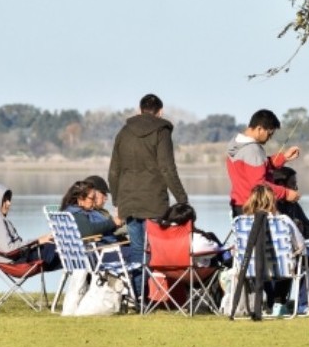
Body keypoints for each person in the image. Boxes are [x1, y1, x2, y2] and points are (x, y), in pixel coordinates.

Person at [108, 93, 188, 301]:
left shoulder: (124, 132)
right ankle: (154, 297)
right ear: (160, 111)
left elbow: (114, 170)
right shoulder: (161, 132)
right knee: (155, 248)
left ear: (139, 109)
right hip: (154, 201)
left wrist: (116, 200)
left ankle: (138, 296)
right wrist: (182, 199)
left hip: (129, 202)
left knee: (136, 249)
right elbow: (167, 168)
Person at [242, 184, 306, 316]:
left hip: (251, 268)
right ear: (272, 201)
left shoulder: (241, 223)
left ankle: (272, 301)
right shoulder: (283, 220)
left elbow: (237, 250)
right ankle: (286, 303)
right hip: (281, 267)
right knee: (302, 262)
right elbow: (301, 247)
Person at [226, 109, 301, 218]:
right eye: (269, 134)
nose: (269, 138)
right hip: (253, 209)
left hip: (238, 205)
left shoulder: (235, 144)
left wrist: (283, 157)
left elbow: (254, 169)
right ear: (259, 129)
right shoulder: (253, 149)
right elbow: (260, 186)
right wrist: (286, 194)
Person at [272, 166, 309, 313]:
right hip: (276, 254)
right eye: (293, 184)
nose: (296, 188)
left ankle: (281, 303)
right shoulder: (269, 206)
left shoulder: (293, 205)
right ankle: (304, 305)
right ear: (281, 186)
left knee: (308, 260)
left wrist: (301, 229)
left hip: (290, 254)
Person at [0, 182, 61, 270]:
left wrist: (37, 242)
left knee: (61, 249)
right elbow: (9, 249)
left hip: (16, 258)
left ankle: (76, 273)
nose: (9, 203)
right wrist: (37, 241)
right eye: (4, 200)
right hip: (16, 261)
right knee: (63, 249)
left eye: (9, 199)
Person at [157, 202, 228, 268]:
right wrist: (224, 248)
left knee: (210, 236)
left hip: (169, 273)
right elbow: (214, 251)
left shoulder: (160, 236)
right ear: (191, 221)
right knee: (212, 241)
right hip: (194, 276)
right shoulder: (195, 238)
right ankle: (230, 264)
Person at [60, 180, 124, 242]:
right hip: (101, 249)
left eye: (95, 198)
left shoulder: (69, 211)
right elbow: (88, 230)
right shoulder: (76, 213)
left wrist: (114, 224)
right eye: (92, 198)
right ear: (81, 198)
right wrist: (112, 223)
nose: (94, 202)